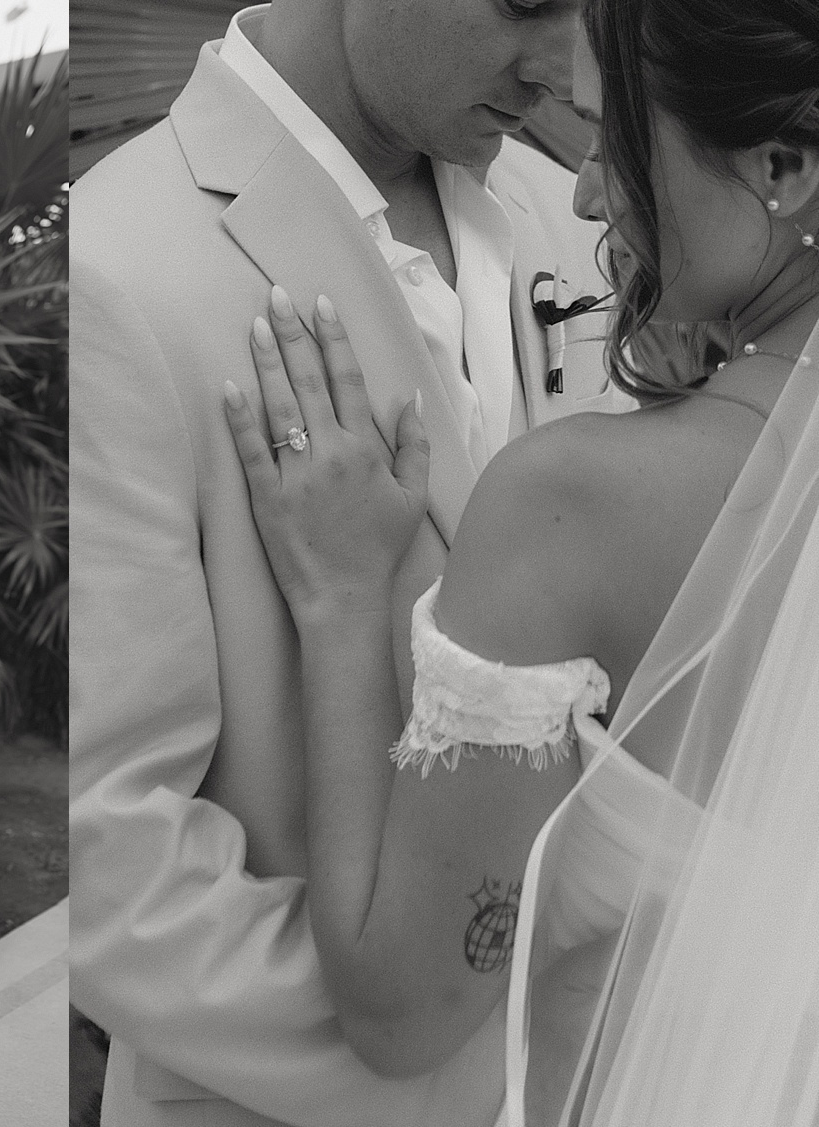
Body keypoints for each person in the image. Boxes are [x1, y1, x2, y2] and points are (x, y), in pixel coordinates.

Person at [220, 0, 819, 1123]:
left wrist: (344, 598)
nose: (587, 194)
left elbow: (402, 1009)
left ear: (780, 165)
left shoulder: (581, 503)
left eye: (623, 148)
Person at [69, 1, 631, 1124]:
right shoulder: (109, 266)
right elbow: (110, 858)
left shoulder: (575, 215)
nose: (567, 72)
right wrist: (478, 1053)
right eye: (526, 2)